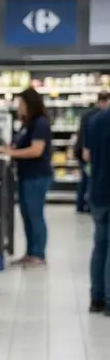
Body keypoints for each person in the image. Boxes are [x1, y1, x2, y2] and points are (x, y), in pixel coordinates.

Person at [1, 88, 53, 267]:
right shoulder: (27, 124)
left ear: (30, 104)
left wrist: (12, 153)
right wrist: (9, 148)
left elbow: (36, 150)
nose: (19, 108)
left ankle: (39, 254)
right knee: (26, 214)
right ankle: (30, 252)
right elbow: (19, 144)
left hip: (37, 176)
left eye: (21, 104)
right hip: (26, 176)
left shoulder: (40, 123)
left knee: (35, 214)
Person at [84, 102, 110, 312]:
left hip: (98, 190)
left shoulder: (95, 120)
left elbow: (87, 156)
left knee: (100, 245)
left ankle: (97, 297)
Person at [75, 91, 110, 213]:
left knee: (85, 180)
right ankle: (89, 205)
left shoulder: (88, 115)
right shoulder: (98, 117)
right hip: (91, 154)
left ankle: (81, 205)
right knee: (89, 180)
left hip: (84, 152)